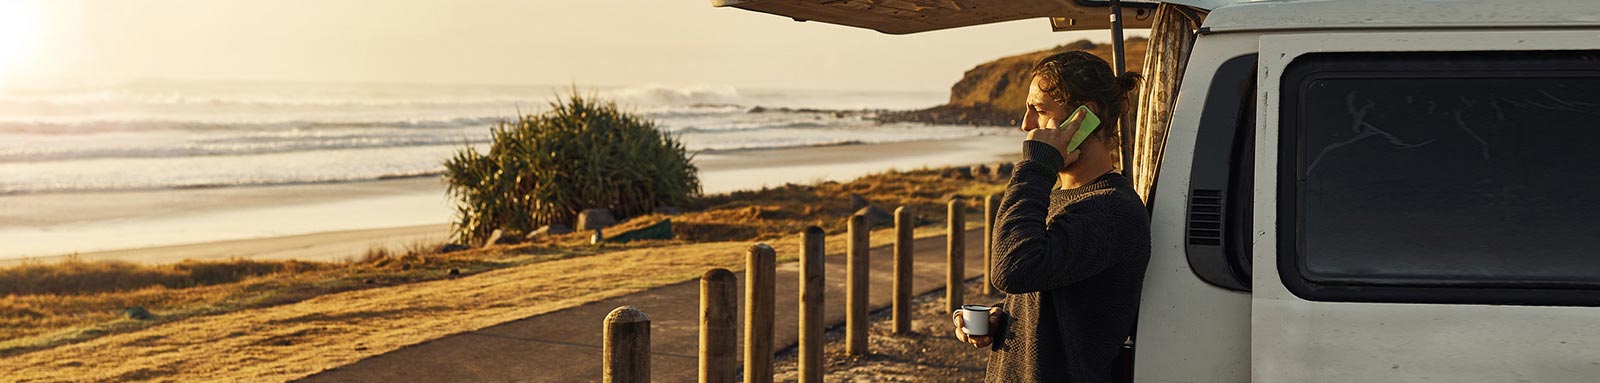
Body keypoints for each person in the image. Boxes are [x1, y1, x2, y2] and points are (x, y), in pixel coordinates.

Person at [950, 51, 1150, 383]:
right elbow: (1039, 284)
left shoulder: (1114, 209)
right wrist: (1007, 319)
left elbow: (1013, 268)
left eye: (1040, 111)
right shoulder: (1061, 197)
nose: (1027, 124)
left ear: (1087, 118)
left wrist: (1036, 165)